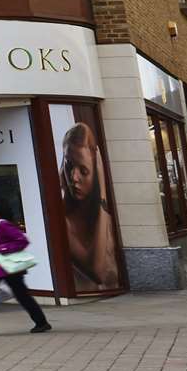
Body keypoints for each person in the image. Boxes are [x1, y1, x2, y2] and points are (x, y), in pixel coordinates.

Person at [0, 203, 51, 336]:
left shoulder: (1, 225)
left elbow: (22, 241)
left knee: (22, 295)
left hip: (8, 267)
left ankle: (41, 322)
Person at [59, 122, 121, 291]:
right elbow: (97, 272)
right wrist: (101, 194)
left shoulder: (107, 214)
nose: (74, 177)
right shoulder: (63, 220)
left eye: (84, 171)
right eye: (69, 165)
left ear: (97, 171)